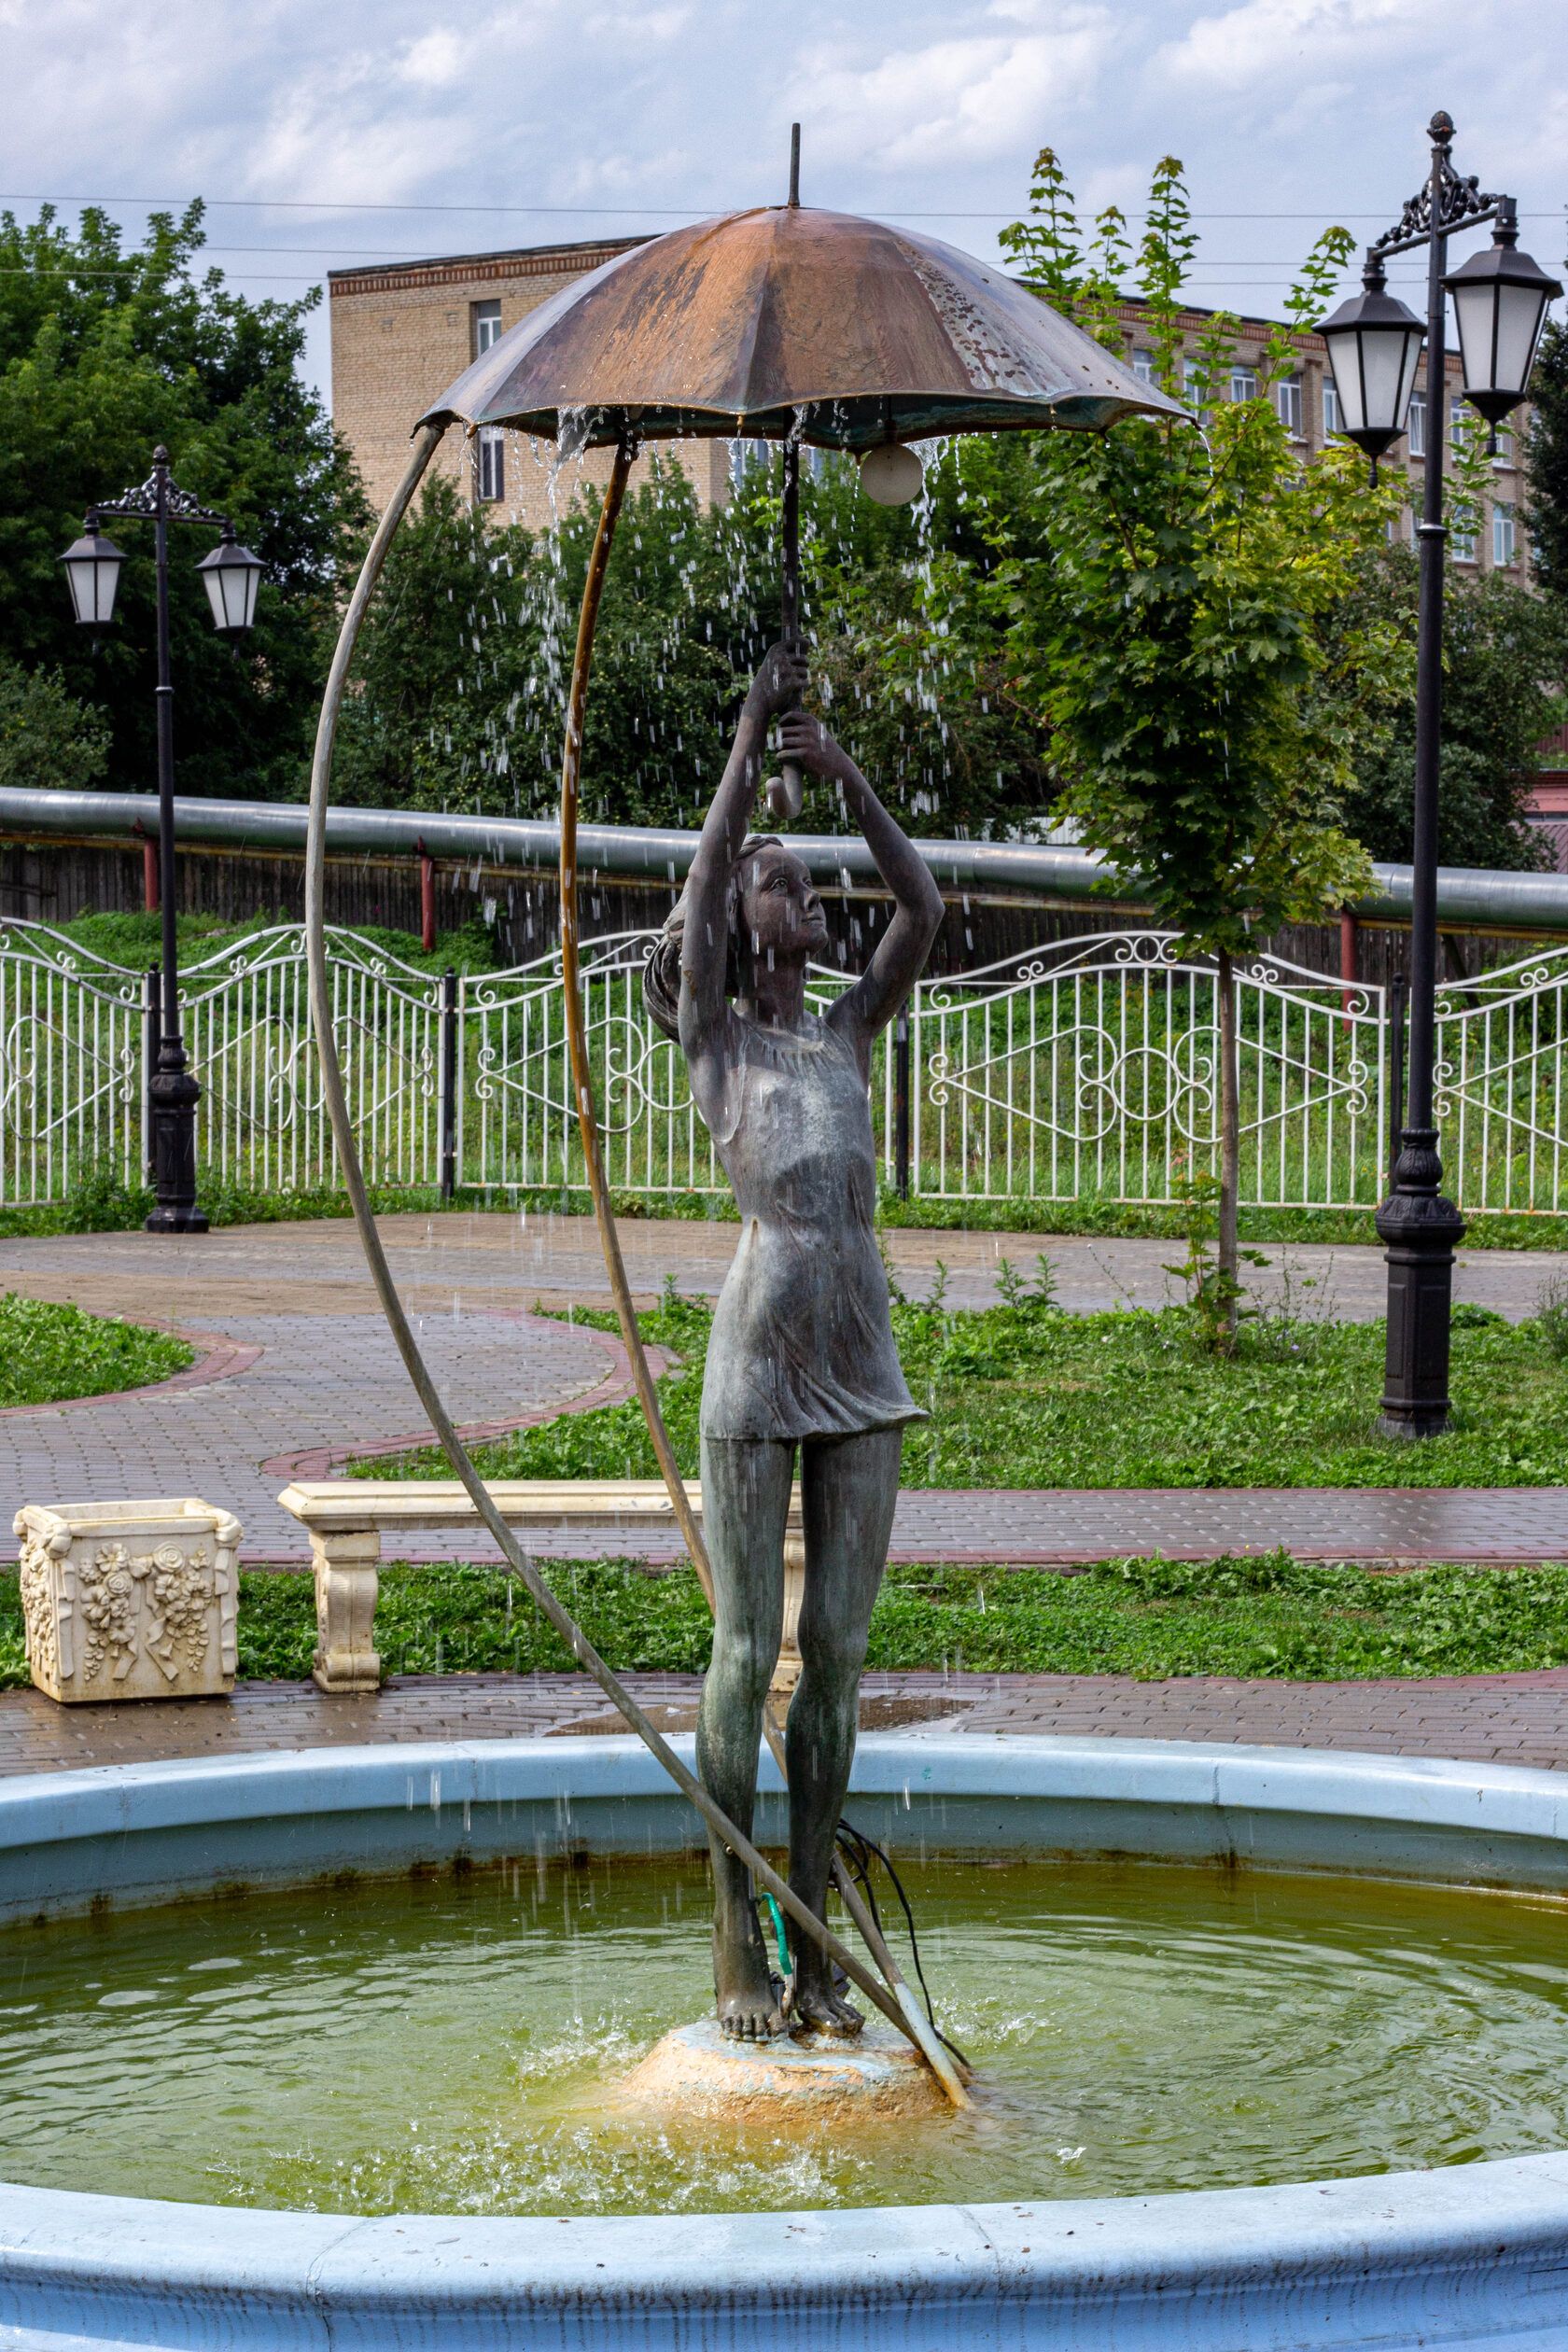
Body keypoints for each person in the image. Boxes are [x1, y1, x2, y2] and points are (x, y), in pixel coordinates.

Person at [643, 644, 943, 2040]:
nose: (809, 895)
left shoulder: (847, 1034)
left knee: (837, 1651)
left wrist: (842, 774)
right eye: (786, 882)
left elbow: (922, 906)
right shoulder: (718, 1041)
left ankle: (814, 1940)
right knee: (744, 1644)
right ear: (738, 919)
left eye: (813, 882)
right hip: (758, 1357)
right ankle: (736, 1949)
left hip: (862, 1357)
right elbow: (703, 883)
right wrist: (748, 730)